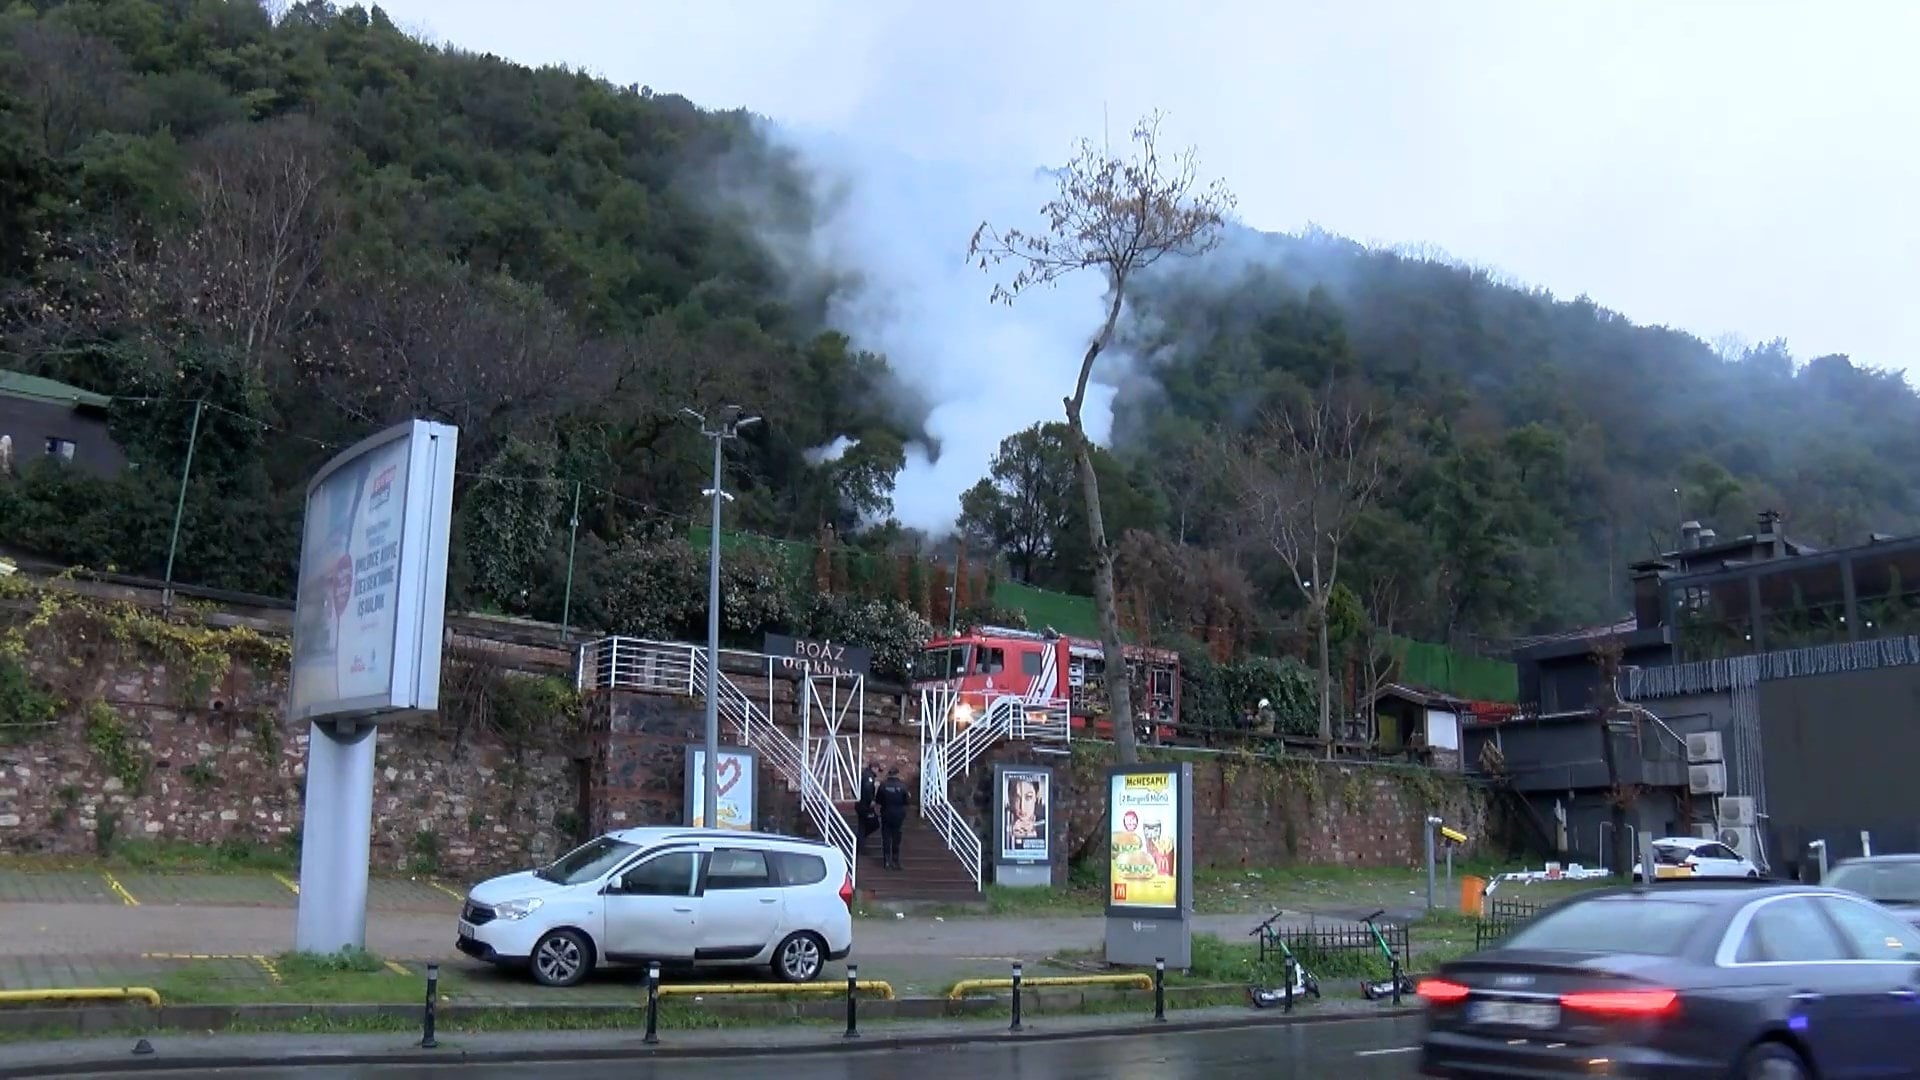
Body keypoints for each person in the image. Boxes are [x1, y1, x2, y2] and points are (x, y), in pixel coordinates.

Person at [876, 766, 911, 870]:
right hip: (898, 814)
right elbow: (907, 801)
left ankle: (886, 861)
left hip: (886, 813)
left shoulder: (883, 785)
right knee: (896, 838)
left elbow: (878, 800)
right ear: (897, 774)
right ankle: (895, 860)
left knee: (886, 837)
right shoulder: (903, 786)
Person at [855, 763, 879, 857]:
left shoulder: (864, 775)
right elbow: (867, 789)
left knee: (863, 826)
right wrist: (871, 800)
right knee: (873, 824)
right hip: (865, 806)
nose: (877, 772)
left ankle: (860, 843)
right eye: (877, 769)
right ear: (873, 767)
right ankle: (859, 841)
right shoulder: (868, 777)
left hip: (860, 804)